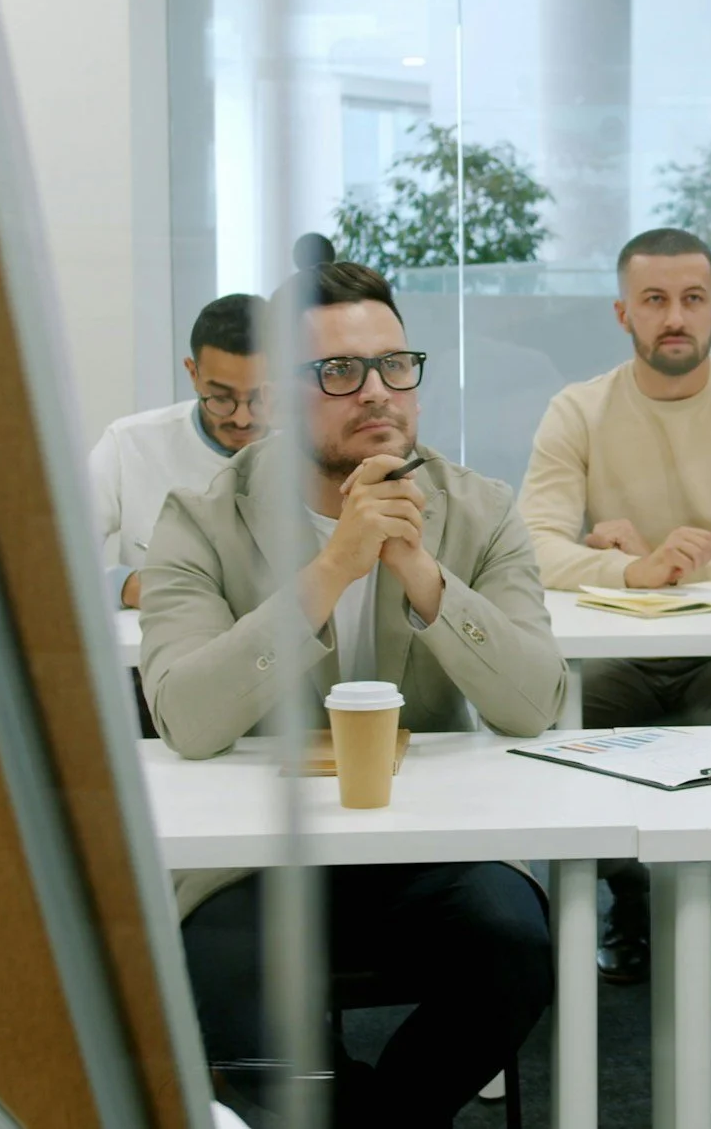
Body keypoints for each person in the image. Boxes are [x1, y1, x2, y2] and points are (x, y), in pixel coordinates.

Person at [139, 261, 568, 1127]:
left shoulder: (479, 510)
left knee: (517, 946)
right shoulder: (200, 517)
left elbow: (537, 704)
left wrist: (421, 573)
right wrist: (332, 569)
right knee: (215, 979)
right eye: (337, 372)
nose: (374, 392)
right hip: (257, 859)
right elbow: (183, 715)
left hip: (432, 848)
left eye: (393, 365)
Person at [520, 226, 711, 993]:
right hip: (614, 654)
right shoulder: (578, 410)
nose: (674, 318)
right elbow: (530, 547)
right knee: (561, 738)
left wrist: (665, 567)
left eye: (691, 300)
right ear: (623, 313)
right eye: (654, 300)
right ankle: (632, 896)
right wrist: (631, 568)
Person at [90, 292, 269, 610]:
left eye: (260, 397)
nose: (242, 418)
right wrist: (122, 584)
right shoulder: (128, 444)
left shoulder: (314, 448)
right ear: (192, 374)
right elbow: (55, 558)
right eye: (220, 397)